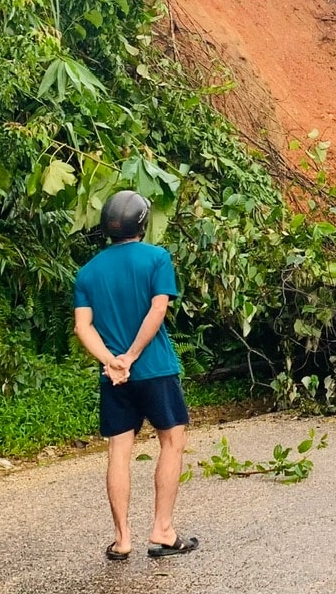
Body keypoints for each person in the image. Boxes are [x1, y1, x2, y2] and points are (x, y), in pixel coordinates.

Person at [73, 190, 199, 561]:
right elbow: (158, 309)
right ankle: (162, 529)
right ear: (142, 224)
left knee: (119, 451)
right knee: (172, 441)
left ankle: (122, 538)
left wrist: (112, 361)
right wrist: (131, 355)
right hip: (155, 368)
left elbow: (83, 327)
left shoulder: (88, 271)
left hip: (115, 378)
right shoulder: (157, 258)